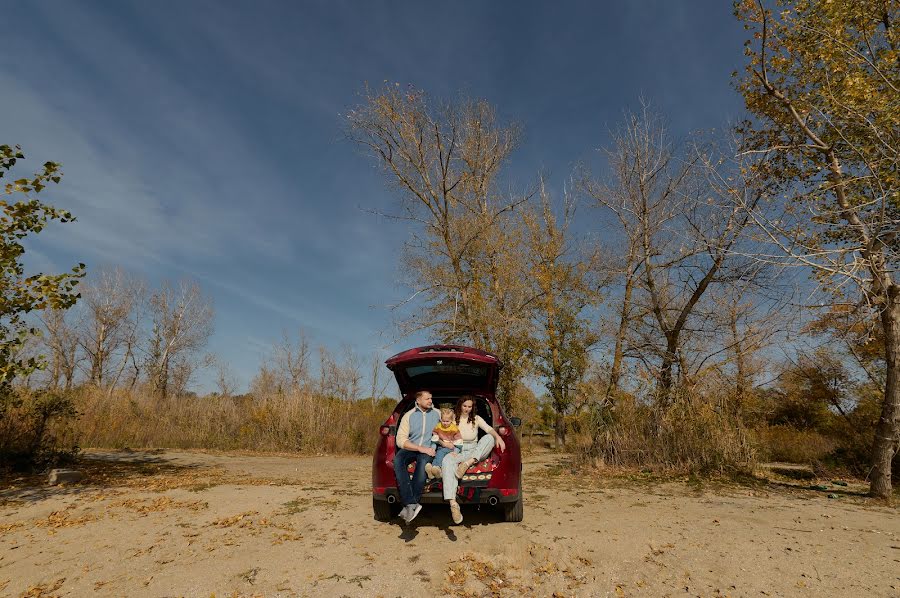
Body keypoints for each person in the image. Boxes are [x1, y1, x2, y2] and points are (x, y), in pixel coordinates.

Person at [440, 395, 506, 525]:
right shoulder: (452, 418)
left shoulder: (476, 418)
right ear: (460, 405)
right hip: (458, 449)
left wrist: (499, 438)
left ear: (472, 407)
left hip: (475, 450)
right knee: (447, 460)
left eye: (469, 406)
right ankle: (453, 504)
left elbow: (489, 429)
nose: (467, 409)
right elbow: (441, 432)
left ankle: (468, 463)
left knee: (489, 438)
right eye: (465, 406)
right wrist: (447, 445)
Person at [393, 390, 440, 524]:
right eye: (427, 399)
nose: (430, 401)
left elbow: (448, 429)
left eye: (431, 398)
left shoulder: (437, 414)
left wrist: (433, 448)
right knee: (398, 459)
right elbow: (400, 440)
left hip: (429, 449)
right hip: (412, 448)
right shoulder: (409, 415)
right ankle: (411, 503)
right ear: (418, 401)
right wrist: (419, 448)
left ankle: (410, 505)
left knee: (422, 464)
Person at [424, 407, 463, 479]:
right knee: (437, 452)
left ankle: (436, 467)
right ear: (441, 419)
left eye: (447, 421)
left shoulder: (454, 429)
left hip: (451, 447)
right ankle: (432, 471)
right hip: (440, 446)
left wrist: (456, 452)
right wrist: (433, 448)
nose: (445, 423)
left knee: (440, 453)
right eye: (443, 421)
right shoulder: (438, 426)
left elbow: (459, 441)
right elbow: (435, 437)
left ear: (451, 420)